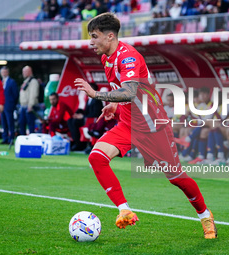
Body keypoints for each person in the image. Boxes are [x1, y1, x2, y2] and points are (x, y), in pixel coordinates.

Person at [74, 13, 217, 239]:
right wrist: (113, 105)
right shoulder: (106, 58)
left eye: (94, 36)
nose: (90, 42)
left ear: (110, 36)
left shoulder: (128, 56)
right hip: (128, 124)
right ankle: (125, 210)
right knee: (96, 157)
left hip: (153, 127)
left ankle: (205, 215)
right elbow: (123, 90)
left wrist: (96, 94)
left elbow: (130, 91)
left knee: (177, 178)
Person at [0, 67, 19, 145]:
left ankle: (11, 139)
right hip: (2, 106)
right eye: (2, 72)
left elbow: (15, 94)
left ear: (8, 73)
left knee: (10, 123)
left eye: (5, 72)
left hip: (9, 105)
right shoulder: (0, 82)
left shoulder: (12, 82)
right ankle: (5, 138)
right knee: (3, 123)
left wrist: (13, 104)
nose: (4, 73)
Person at [19, 66, 39, 135]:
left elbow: (33, 94)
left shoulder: (33, 81)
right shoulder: (26, 81)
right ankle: (23, 140)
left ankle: (31, 140)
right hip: (23, 106)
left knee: (30, 125)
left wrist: (30, 105)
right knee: (22, 124)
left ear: (30, 72)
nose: (23, 73)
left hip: (29, 106)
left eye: (25, 71)